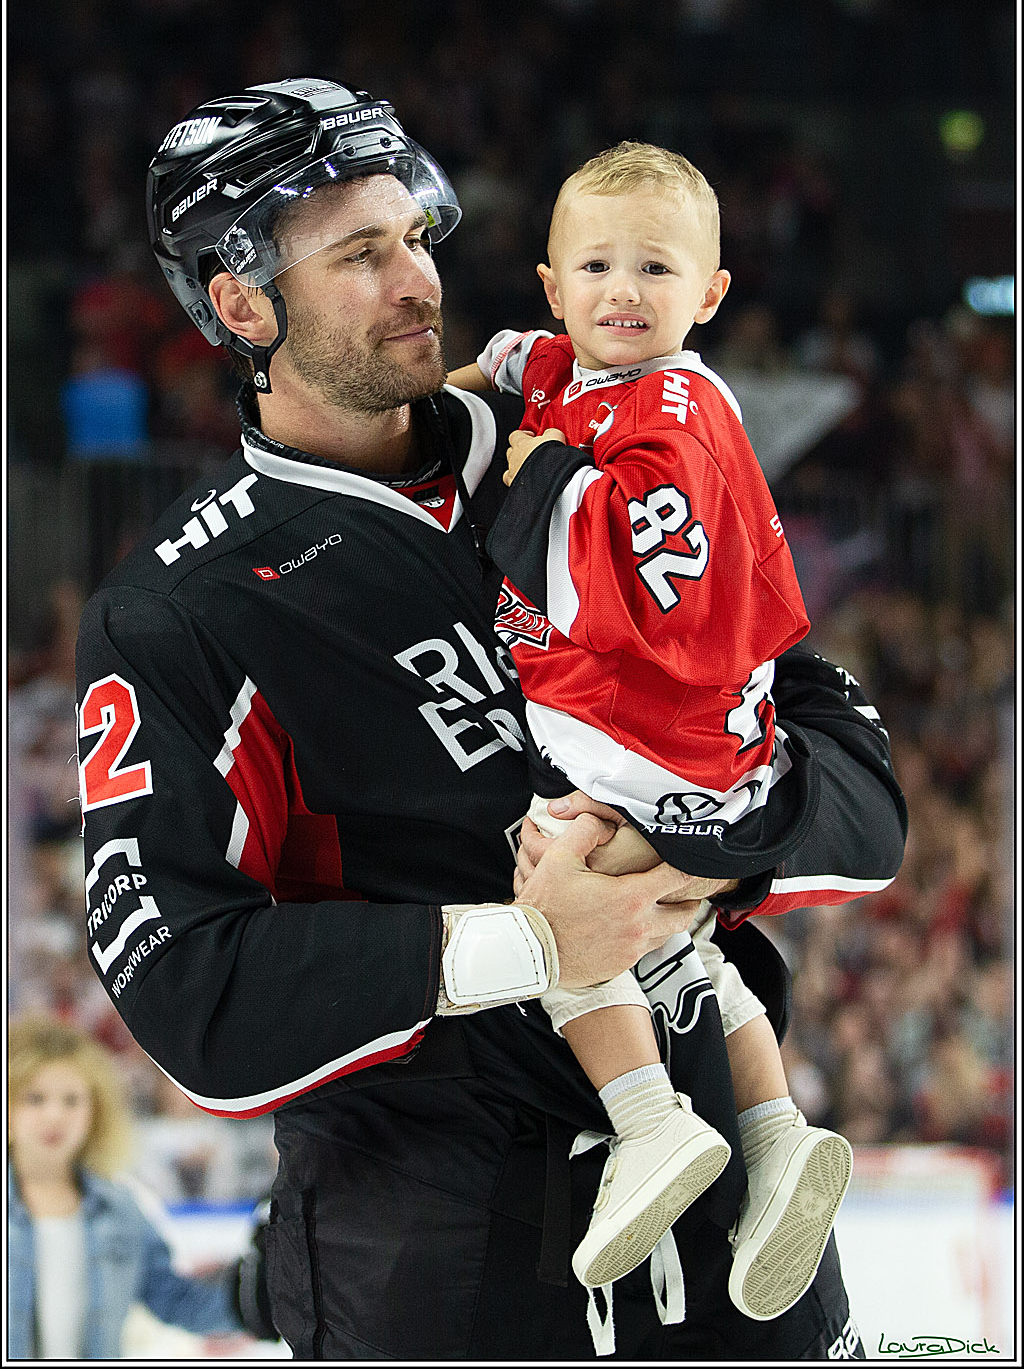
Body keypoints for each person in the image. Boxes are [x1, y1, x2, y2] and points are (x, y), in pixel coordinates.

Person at [76, 77, 906, 1360]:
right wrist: (526, 941)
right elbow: (187, 990)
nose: (418, 278)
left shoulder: (603, 435)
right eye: (362, 254)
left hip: (749, 1267)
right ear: (240, 302)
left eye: (415, 234)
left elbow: (843, 760)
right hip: (443, 1278)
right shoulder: (178, 609)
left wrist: (712, 843)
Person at [448, 140, 852, 1319]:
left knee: (556, 888)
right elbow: (530, 368)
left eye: (656, 270)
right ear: (553, 284)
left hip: (645, 738)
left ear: (710, 295)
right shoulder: (590, 369)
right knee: (677, 942)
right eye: (597, 266)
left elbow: (627, 576)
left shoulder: (674, 411)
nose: (624, 292)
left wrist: (538, 484)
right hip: (707, 748)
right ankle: (774, 1137)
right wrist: (492, 380)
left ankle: (648, 1121)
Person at [7, 1014, 247, 1360]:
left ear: (96, 1111)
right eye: (36, 1098)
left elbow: (178, 1300)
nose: (55, 1115)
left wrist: (264, 1294)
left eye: (72, 1100)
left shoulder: (121, 1208)